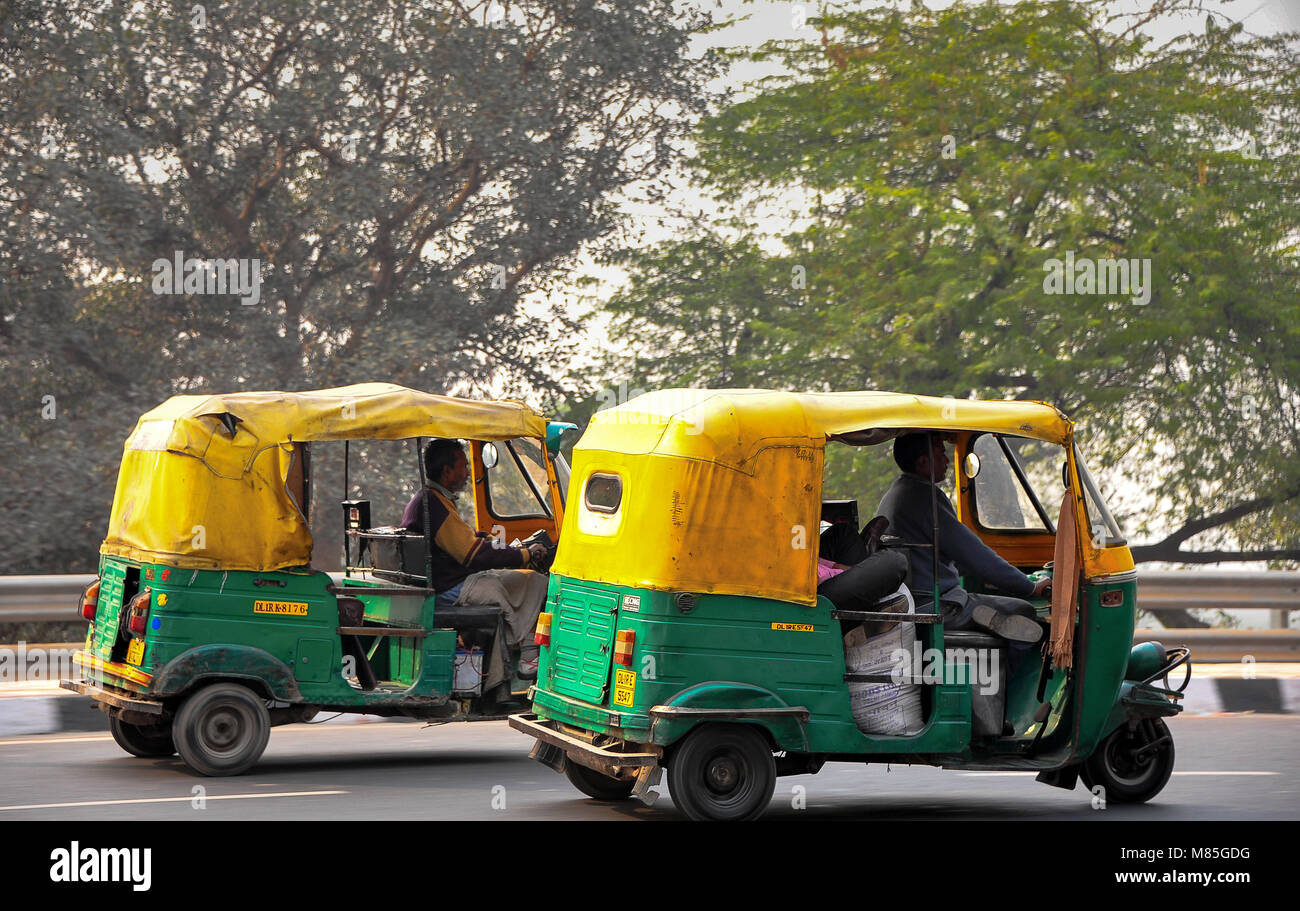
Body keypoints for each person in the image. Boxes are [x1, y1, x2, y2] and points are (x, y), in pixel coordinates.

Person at [876, 433, 1050, 651]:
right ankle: (1013, 685)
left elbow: (956, 555)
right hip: (942, 606)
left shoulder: (894, 494)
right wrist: (1030, 586)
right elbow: (975, 555)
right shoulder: (926, 497)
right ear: (923, 462)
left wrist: (998, 575)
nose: (947, 461)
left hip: (914, 603)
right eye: (941, 453)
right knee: (1024, 611)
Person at [401, 438, 550, 686]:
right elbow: (471, 554)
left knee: (525, 581)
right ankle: (527, 655)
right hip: (448, 588)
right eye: (463, 465)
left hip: (448, 581)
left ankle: (526, 650)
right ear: (447, 471)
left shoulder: (434, 499)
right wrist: (524, 555)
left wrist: (499, 544)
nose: (468, 471)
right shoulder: (433, 505)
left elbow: (465, 539)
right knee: (535, 581)